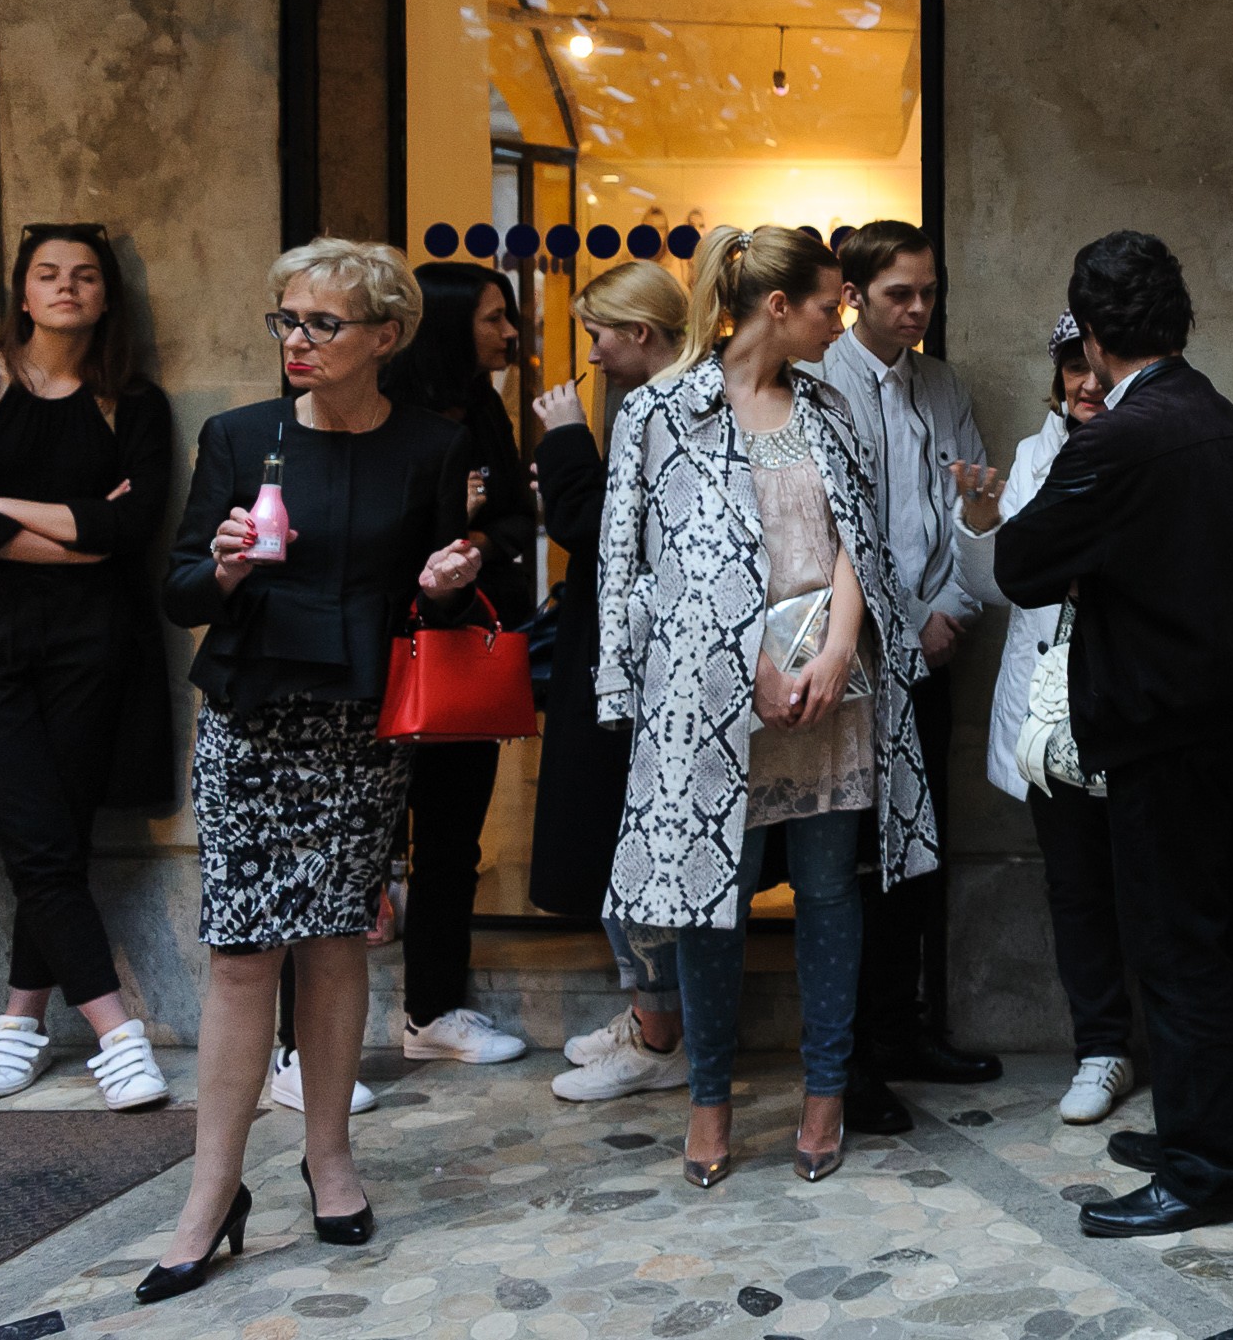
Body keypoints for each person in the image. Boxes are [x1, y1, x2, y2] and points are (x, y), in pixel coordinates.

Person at [142, 240, 486, 1304]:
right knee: (242, 952)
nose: (296, 339)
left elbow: (438, 602)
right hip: (252, 718)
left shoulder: (432, 446)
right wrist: (222, 567)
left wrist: (443, 581)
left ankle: (329, 1159)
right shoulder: (238, 435)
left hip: (361, 726)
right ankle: (211, 1192)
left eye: (321, 323)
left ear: (385, 335)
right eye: (285, 319)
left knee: (336, 940)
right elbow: (180, 590)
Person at [601, 224, 934, 1190]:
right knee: (714, 904)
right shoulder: (660, 411)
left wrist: (836, 652)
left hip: (831, 690)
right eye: (831, 304)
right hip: (715, 699)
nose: (842, 319)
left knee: (830, 891)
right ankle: (709, 1100)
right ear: (778, 307)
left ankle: (825, 1092)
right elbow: (639, 566)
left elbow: (861, 540)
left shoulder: (830, 406)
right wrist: (739, 667)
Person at [994, 231, 1233, 1239]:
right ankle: (1194, 1133)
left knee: (1177, 950)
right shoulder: (1209, 408)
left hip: (1171, 731)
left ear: (1091, 331)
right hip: (1231, 720)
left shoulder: (1121, 437)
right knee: (1195, 940)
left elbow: (1020, 562)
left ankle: (1209, 1172)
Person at [0, 222, 177, 1112]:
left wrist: (1, 506)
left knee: (56, 837)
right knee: (36, 832)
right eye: (48, 273)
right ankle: (118, 1034)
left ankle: (18, 1025)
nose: (67, 286)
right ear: (22, 293)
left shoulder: (133, 404)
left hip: (88, 647)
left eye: (86, 275)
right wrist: (77, 535)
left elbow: (132, 526)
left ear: (106, 297)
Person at [816, 219, 1002, 1128]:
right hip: (852, 661)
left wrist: (948, 613)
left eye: (929, 291)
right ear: (854, 295)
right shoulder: (821, 381)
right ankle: (847, 1059)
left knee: (919, 855)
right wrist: (898, 626)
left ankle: (902, 1027)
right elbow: (830, 531)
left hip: (933, 651)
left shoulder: (942, 383)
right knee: (853, 860)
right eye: (900, 293)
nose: (919, 308)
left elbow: (972, 504)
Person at [963, 322, 1139, 1124]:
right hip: (1051, 706)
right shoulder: (1033, 457)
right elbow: (997, 586)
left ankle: (1170, 1044)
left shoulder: (1152, 445)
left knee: (1146, 877)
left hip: (1132, 701)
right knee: (1074, 882)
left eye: (1098, 367)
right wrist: (980, 522)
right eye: (1074, 368)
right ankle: (1101, 1048)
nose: (1087, 383)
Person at [526, 260, 692, 1105]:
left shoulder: (671, 408)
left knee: (637, 849)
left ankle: (661, 1038)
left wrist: (563, 444)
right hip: (627, 661)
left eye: (598, 334)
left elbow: (602, 530)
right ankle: (649, 1017)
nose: (589, 354)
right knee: (621, 846)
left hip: (644, 668)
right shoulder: (658, 402)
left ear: (639, 332)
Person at [378, 262, 540, 1070]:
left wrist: (471, 540)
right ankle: (301, 1043)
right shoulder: (381, 412)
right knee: (359, 841)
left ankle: (432, 1010)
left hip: (463, 658)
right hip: (383, 655)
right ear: (446, 325)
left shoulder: (482, 408)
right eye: (492, 317)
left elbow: (514, 517)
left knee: (450, 841)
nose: (510, 331)